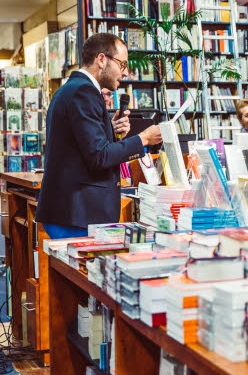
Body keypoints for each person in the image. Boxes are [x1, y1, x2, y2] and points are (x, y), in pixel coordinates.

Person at [36, 33, 162, 239]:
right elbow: (99, 157)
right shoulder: (84, 92)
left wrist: (109, 130)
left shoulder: (71, 89)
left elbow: (78, 144)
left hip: (73, 211)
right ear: (102, 60)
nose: (125, 72)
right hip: (78, 213)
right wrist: (144, 139)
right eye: (122, 64)